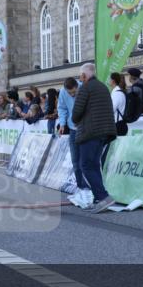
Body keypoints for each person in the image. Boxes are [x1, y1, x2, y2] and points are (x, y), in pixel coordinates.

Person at [71, 63, 117, 213]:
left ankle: (103, 196)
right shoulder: (103, 87)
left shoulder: (85, 88)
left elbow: (76, 112)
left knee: (86, 165)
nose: (80, 79)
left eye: (80, 76)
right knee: (95, 165)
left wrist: (76, 120)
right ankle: (99, 199)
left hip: (90, 132)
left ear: (84, 75)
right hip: (104, 132)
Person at [57, 77, 92, 207]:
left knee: (85, 161)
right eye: (69, 93)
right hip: (72, 129)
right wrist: (62, 124)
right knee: (75, 161)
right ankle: (81, 188)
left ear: (77, 86)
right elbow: (62, 108)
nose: (72, 95)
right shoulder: (62, 92)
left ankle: (89, 189)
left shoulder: (85, 88)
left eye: (74, 92)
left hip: (86, 129)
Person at [108, 72, 127, 137]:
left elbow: (111, 109)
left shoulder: (116, 93)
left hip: (118, 124)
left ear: (113, 81)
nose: (109, 81)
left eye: (110, 79)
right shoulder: (118, 92)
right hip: (119, 123)